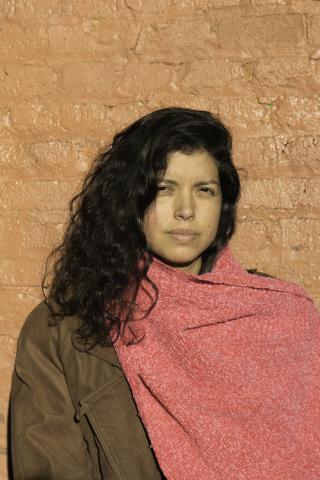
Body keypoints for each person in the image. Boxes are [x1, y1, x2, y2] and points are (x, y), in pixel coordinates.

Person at [10, 107, 320, 479]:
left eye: (204, 191)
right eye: (163, 189)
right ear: (130, 199)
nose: (186, 210)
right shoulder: (64, 331)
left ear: (223, 204)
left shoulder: (279, 317)